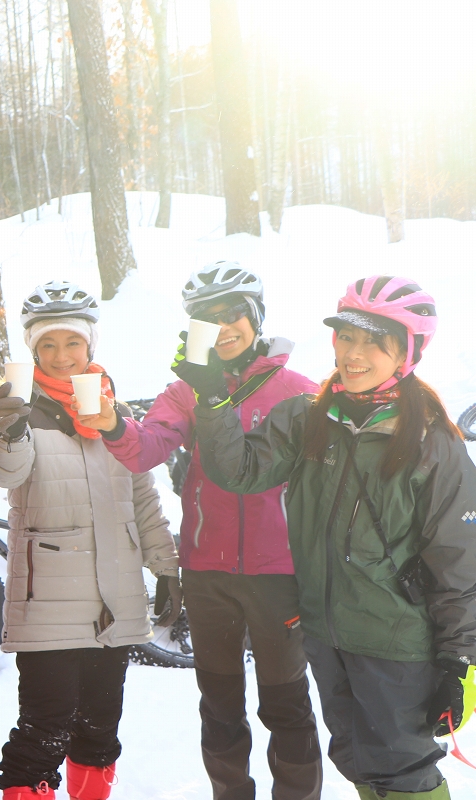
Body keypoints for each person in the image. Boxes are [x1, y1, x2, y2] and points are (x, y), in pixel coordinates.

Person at [189, 276, 476, 800]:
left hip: (396, 642)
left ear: (408, 351)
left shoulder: (431, 441)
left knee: (403, 770)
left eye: (374, 341)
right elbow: (241, 471)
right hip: (326, 633)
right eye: (346, 336)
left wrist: (460, 660)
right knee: (358, 761)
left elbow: (459, 560)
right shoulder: (309, 416)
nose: (354, 353)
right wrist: (211, 400)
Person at [78, 263, 324, 800]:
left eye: (232, 312)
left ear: (255, 317)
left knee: (285, 705)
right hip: (207, 572)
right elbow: (148, 447)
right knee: (219, 706)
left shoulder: (299, 391)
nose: (222, 326)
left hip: (278, 573)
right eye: (206, 319)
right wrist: (115, 425)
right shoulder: (187, 391)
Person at [0, 282, 179, 800]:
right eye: (48, 345)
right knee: (42, 731)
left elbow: (144, 500)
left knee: (98, 730)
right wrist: (9, 428)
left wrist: (166, 567)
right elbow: (5, 475)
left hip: (114, 598)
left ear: (90, 345)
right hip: (48, 596)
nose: (62, 355)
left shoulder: (117, 416)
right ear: (32, 351)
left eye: (72, 343)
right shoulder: (21, 408)